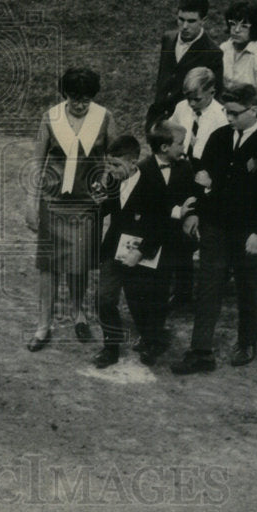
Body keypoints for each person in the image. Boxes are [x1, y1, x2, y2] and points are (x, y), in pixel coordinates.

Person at [171, 84, 257, 374]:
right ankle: (201, 351)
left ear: (254, 110)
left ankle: (247, 341)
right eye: (226, 113)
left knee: (247, 287)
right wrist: (195, 212)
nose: (229, 119)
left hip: (247, 232)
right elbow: (203, 179)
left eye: (234, 113)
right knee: (208, 287)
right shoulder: (219, 138)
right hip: (216, 226)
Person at [25, 67, 114, 351]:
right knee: (48, 267)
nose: (79, 104)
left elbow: (116, 157)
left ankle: (79, 315)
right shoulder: (51, 117)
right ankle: (43, 324)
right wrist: (31, 202)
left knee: (79, 264)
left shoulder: (104, 117)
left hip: (86, 203)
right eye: (74, 98)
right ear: (65, 95)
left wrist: (104, 182)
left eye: (85, 99)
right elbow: (37, 162)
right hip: (53, 201)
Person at [93, 121, 196, 367]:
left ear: (131, 163)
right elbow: (107, 209)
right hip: (114, 249)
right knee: (105, 299)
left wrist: (140, 252)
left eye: (115, 165)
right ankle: (111, 347)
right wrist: (96, 202)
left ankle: (151, 340)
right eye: (108, 165)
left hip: (142, 252)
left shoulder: (152, 181)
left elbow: (160, 223)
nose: (111, 170)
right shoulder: (113, 180)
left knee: (141, 301)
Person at [167, 66, 229, 304]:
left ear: (212, 92)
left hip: (209, 175)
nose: (192, 103)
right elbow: (170, 132)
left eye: (197, 98)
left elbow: (223, 155)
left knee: (208, 232)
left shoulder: (221, 116)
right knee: (180, 229)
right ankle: (182, 289)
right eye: (188, 98)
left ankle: (214, 285)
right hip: (183, 171)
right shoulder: (182, 109)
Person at [151, 0, 223, 118]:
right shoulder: (168, 38)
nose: (184, 26)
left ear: (203, 20)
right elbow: (162, 78)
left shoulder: (212, 53)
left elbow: (213, 96)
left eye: (191, 21)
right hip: (159, 118)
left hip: (186, 120)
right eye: (181, 19)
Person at [220, 0, 257, 121]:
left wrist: (237, 106)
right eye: (233, 24)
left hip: (250, 116)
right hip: (223, 111)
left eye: (244, 26)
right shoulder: (224, 49)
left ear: (255, 28)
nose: (236, 30)